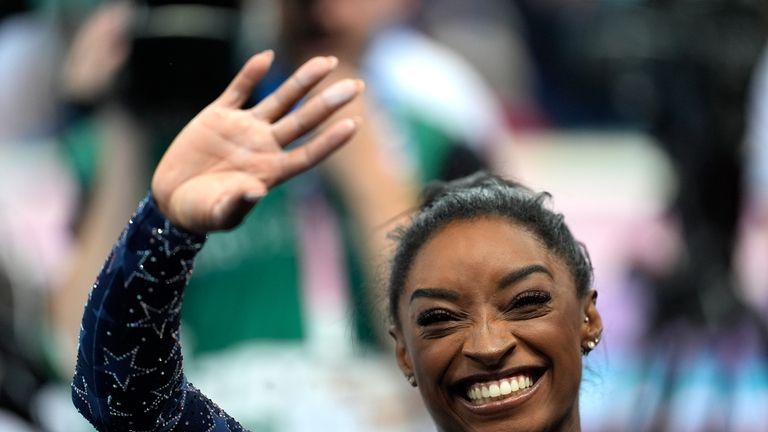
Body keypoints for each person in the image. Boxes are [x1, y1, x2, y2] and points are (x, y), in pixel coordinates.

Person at [72, 51, 603, 431]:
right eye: (439, 318)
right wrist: (167, 228)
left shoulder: (436, 128)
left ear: (588, 319)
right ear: (403, 355)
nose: (488, 345)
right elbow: (127, 403)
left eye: (527, 302)